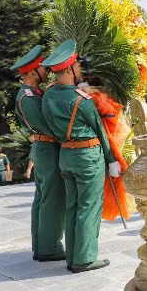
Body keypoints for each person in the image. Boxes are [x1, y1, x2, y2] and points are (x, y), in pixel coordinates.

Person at [41, 40, 120, 273]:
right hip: (88, 157)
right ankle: (84, 259)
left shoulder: (48, 97)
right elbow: (100, 131)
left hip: (65, 154)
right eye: (77, 66)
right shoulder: (81, 100)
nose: (79, 70)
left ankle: (72, 257)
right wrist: (111, 159)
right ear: (68, 69)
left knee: (73, 206)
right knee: (88, 206)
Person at [11, 45, 65, 260]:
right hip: (47, 147)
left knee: (43, 198)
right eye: (43, 68)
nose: (48, 71)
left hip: (45, 148)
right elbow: (48, 126)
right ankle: (49, 248)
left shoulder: (35, 93)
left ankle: (42, 244)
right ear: (33, 71)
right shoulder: (28, 97)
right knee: (52, 198)